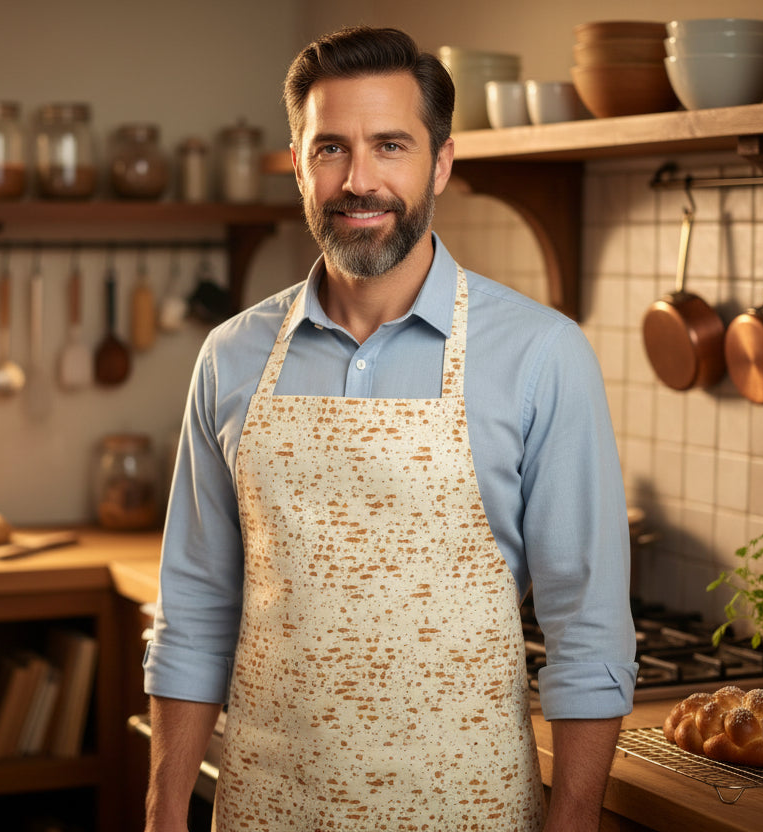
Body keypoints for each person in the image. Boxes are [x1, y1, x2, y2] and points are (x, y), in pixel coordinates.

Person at [143, 25, 637, 832]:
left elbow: (587, 624)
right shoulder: (230, 358)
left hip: (468, 811)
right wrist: (163, 815)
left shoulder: (542, 355)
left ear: (441, 161)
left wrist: (574, 820)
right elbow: (195, 609)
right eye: (330, 147)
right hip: (268, 809)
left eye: (391, 146)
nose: (358, 180)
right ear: (299, 162)